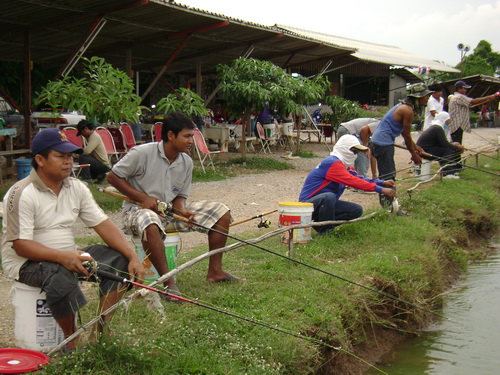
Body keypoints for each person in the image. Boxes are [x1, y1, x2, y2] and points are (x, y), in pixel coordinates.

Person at [1, 128, 145, 352]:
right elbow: (20, 245)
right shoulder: (21, 193)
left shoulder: (76, 187)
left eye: (70, 156)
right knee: (60, 272)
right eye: (60, 156)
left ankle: (100, 332)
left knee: (120, 262)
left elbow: (104, 225)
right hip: (25, 263)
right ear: (40, 159)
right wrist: (62, 257)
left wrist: (132, 256)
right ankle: (72, 339)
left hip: (67, 253)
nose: (68, 162)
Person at [107, 112, 242, 297]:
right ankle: (168, 283)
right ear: (171, 135)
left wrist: (182, 210)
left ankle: (215, 271)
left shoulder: (186, 161)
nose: (191, 141)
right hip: (137, 212)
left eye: (192, 137)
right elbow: (112, 176)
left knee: (221, 212)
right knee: (149, 219)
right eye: (187, 136)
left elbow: (180, 195)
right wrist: (142, 198)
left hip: (168, 212)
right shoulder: (142, 153)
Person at [298, 135, 396, 235]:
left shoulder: (343, 165)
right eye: (354, 151)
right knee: (329, 197)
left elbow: (358, 178)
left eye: (357, 152)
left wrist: (382, 182)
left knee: (356, 210)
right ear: (344, 148)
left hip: (321, 204)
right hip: (307, 205)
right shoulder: (332, 163)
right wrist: (381, 190)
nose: (355, 154)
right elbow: (353, 181)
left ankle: (322, 225)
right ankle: (325, 232)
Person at [371, 83, 429, 207]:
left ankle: (389, 204)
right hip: (383, 144)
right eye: (425, 96)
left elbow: (403, 132)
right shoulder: (408, 111)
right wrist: (413, 154)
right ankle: (389, 206)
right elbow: (406, 135)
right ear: (417, 98)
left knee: (387, 174)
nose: (427, 98)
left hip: (380, 142)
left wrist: (415, 147)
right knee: (388, 175)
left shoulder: (404, 107)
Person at [417, 111, 465, 178]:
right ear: (444, 120)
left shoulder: (437, 127)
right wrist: (457, 147)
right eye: (448, 121)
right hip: (424, 151)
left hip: (429, 149)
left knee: (450, 148)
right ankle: (448, 173)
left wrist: (453, 144)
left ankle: (454, 170)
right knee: (447, 150)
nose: (449, 123)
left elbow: (442, 142)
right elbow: (444, 144)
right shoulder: (437, 128)